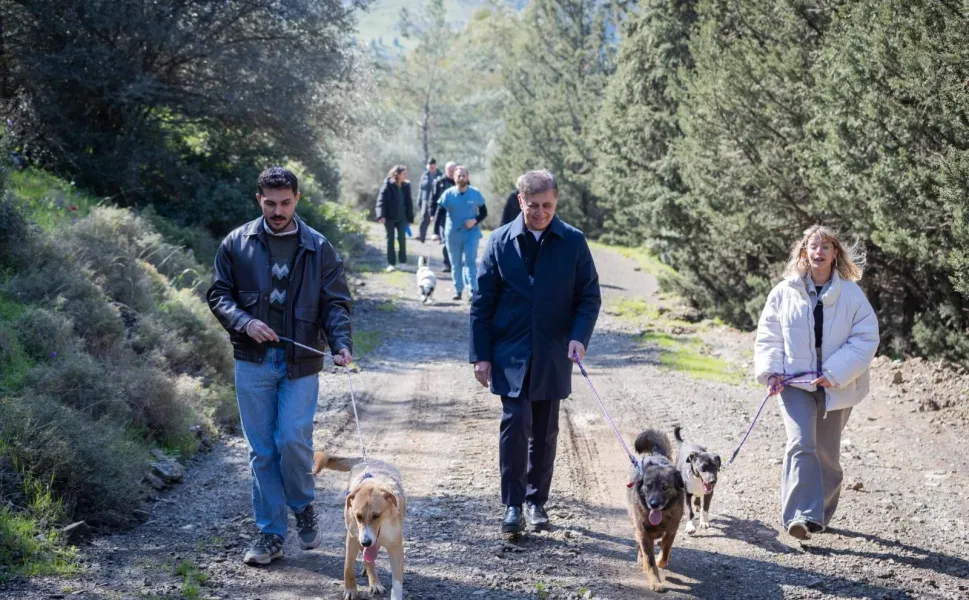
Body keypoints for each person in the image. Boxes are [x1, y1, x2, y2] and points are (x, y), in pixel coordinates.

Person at [207, 166, 353, 565]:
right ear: (259, 200)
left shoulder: (319, 247)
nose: (277, 210)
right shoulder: (236, 244)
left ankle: (302, 503)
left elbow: (335, 303)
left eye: (285, 203)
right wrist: (245, 321)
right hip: (252, 361)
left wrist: (341, 344)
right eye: (270, 203)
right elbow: (219, 295)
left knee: (292, 440)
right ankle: (270, 533)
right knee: (262, 451)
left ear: (297, 199)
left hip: (301, 360)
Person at [470, 169, 601, 534]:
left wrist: (579, 336)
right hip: (509, 352)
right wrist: (480, 354)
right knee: (515, 424)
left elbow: (589, 296)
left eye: (548, 205)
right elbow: (482, 303)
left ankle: (535, 502)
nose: (541, 212)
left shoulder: (573, 242)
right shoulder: (499, 242)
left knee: (544, 431)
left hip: (553, 351)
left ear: (556, 202)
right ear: (520, 201)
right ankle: (511, 506)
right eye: (534, 205)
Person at [754, 224, 878, 541]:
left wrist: (834, 372)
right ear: (804, 252)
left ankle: (818, 515)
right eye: (813, 246)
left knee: (826, 454)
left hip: (837, 383)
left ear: (835, 253)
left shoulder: (852, 294)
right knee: (800, 443)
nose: (819, 252)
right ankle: (799, 516)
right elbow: (769, 336)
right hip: (794, 383)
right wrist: (771, 372)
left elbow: (865, 339)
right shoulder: (784, 292)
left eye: (825, 247)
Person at [436, 165, 487, 302]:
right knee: (455, 263)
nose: (461, 178)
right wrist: (436, 232)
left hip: (471, 233)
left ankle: (471, 289)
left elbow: (484, 212)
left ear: (468, 177)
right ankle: (458, 290)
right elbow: (439, 213)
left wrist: (475, 221)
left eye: (464, 175)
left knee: (470, 261)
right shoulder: (448, 194)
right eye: (459, 175)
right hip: (453, 234)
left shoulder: (475, 193)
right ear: (454, 177)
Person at [375, 165, 415, 272]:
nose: (406, 175)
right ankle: (391, 263)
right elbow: (380, 201)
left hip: (402, 218)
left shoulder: (406, 186)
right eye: (404, 173)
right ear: (397, 174)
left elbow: (409, 203)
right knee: (390, 240)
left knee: (402, 239)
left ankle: (403, 262)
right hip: (389, 218)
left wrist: (410, 218)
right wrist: (381, 215)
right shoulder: (387, 185)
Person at [431, 161, 457, 273]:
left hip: (457, 217)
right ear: (445, 170)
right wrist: (432, 214)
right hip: (442, 217)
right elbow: (433, 199)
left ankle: (455, 262)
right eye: (449, 170)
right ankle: (448, 263)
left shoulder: (462, 182)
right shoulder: (439, 182)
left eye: (453, 170)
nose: (451, 173)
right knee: (445, 242)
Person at [417, 158, 440, 242]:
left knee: (438, 218)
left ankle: (438, 236)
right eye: (430, 165)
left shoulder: (440, 175)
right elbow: (420, 189)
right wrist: (419, 200)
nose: (431, 167)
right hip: (425, 200)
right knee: (424, 218)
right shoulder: (424, 176)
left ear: (435, 165)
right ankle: (421, 236)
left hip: (436, 200)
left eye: (433, 165)